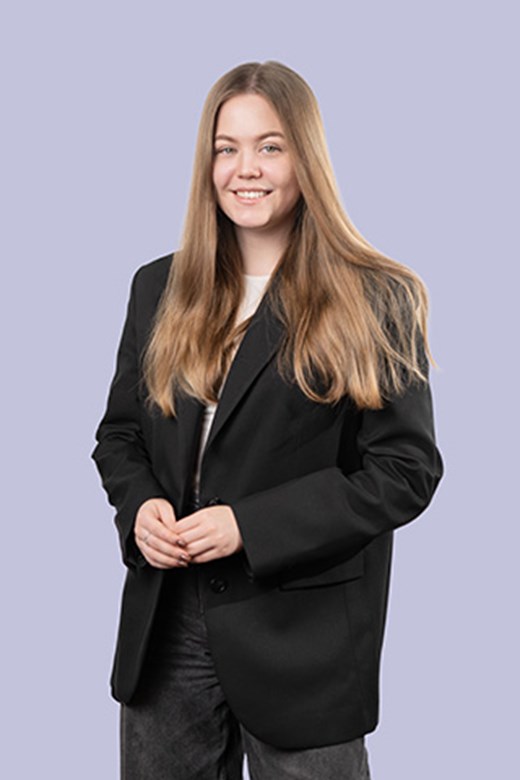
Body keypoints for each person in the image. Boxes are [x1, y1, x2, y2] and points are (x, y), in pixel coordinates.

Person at [91, 60, 443, 780]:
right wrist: (141, 506)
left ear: (306, 157)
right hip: (167, 627)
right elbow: (120, 434)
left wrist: (248, 527)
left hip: (303, 641)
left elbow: (405, 472)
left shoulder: (378, 297)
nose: (244, 169)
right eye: (227, 148)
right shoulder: (158, 287)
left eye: (270, 146)